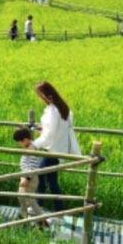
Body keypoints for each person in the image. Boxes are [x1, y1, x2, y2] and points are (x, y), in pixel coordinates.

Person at [32, 81, 81, 212]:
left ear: (46, 96)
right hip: (60, 150)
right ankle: (57, 210)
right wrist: (42, 128)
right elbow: (58, 129)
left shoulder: (52, 112)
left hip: (52, 151)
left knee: (39, 177)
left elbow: (49, 136)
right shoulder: (63, 108)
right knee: (51, 181)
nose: (39, 98)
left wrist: (34, 145)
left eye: (39, 95)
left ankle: (39, 208)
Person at [14, 127, 46, 221]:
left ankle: (42, 219)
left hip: (30, 178)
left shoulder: (32, 149)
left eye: (19, 142)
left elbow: (32, 166)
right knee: (21, 196)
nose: (19, 144)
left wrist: (27, 179)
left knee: (30, 199)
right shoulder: (27, 147)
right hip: (25, 176)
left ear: (25, 140)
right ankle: (24, 214)